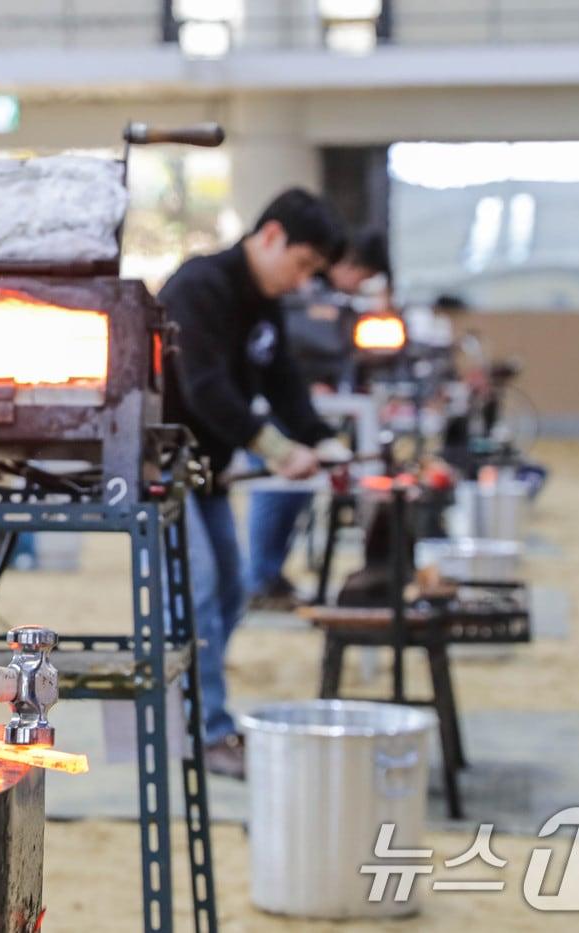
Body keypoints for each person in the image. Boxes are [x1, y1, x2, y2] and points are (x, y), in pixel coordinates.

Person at [158, 188, 349, 780]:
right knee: (201, 592)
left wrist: (321, 438)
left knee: (233, 591)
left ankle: (190, 710)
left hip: (208, 471)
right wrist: (275, 448)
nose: (300, 282)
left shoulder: (264, 301)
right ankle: (204, 730)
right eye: (302, 265)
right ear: (270, 237)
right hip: (159, 466)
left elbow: (285, 381)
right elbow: (204, 387)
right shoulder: (200, 287)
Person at [246, 228, 390, 610]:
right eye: (362, 276)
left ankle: (270, 575)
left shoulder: (333, 304)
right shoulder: (297, 299)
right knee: (273, 493)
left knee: (293, 497)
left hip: (304, 415)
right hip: (275, 414)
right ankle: (260, 578)